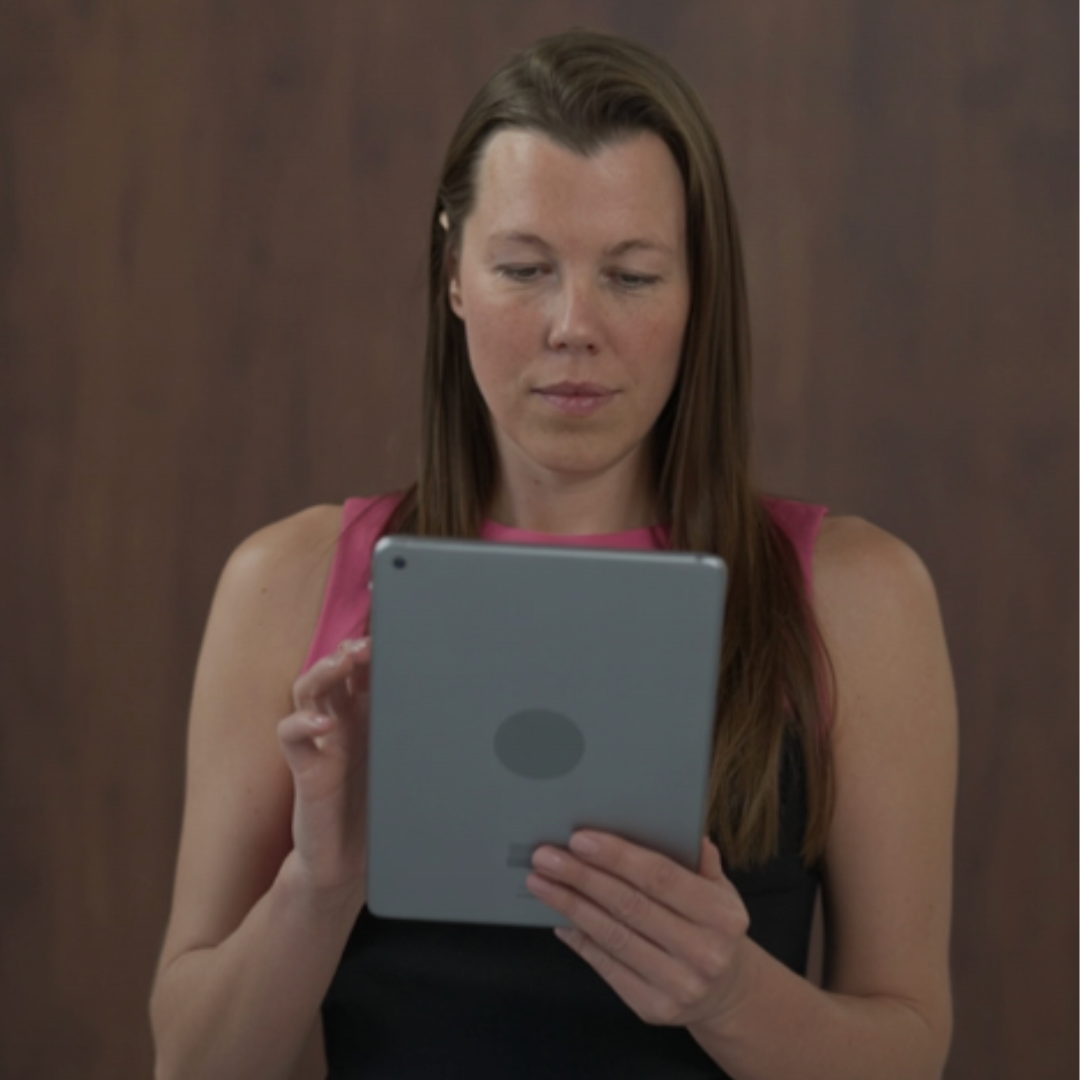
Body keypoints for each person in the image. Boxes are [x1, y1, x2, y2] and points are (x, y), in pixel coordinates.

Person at [150, 28, 957, 1080]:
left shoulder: (855, 596)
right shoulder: (289, 583)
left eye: (630, 275)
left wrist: (730, 992)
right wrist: (320, 883)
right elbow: (193, 1066)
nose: (573, 326)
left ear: (696, 293)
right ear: (453, 277)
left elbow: (908, 1048)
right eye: (525, 268)